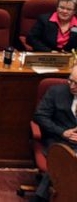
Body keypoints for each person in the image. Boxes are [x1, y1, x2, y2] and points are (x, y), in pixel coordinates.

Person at [32, 66, 77, 199]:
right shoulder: (56, 92)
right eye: (70, 81)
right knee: (63, 160)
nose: (72, 86)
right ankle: (39, 198)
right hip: (57, 140)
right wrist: (62, 132)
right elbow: (39, 116)